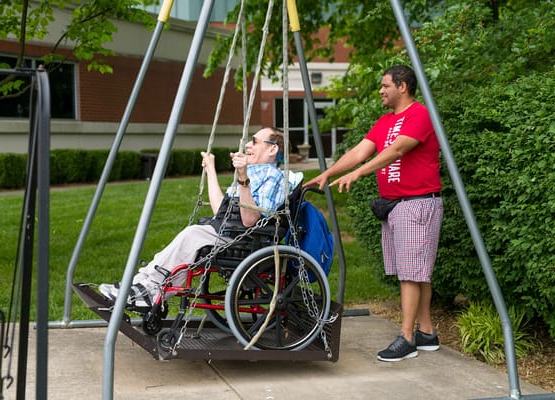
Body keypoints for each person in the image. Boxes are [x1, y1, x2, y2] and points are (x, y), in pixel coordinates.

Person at [305, 65, 443, 362]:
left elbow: (397, 151)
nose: (381, 90)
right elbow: (358, 152)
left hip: (416, 203)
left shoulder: (419, 114)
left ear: (403, 86)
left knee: (411, 273)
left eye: (385, 85)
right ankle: (427, 333)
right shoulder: (385, 121)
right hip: (397, 206)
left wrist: (358, 175)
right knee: (414, 271)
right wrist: (328, 173)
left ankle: (407, 339)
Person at [99, 127, 287, 309]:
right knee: (189, 238)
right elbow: (220, 210)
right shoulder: (252, 172)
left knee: (191, 236)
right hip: (228, 231)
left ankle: (150, 290)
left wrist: (243, 178)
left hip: (245, 239)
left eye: (254, 141)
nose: (247, 145)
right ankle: (138, 285)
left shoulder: (273, 176)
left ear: (273, 148)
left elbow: (249, 220)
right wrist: (211, 170)